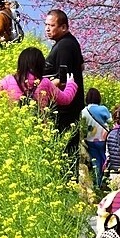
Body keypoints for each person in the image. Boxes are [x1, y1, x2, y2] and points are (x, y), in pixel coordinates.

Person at [44, 9, 85, 174]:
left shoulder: (64, 46)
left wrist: (39, 88)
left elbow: (62, 81)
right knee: (68, 147)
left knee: (65, 148)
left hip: (65, 108)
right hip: (71, 105)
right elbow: (81, 66)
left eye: (51, 25)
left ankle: (67, 179)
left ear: (63, 27)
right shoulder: (69, 42)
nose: (47, 29)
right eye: (46, 25)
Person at [0, 46, 78, 109]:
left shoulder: (9, 80)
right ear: (41, 64)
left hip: (12, 128)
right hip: (40, 129)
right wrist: (71, 83)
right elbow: (65, 99)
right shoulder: (45, 83)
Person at [80, 88, 112, 187]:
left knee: (95, 161)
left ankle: (97, 182)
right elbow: (110, 120)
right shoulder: (103, 109)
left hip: (90, 140)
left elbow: (83, 125)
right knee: (105, 158)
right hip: (103, 139)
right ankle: (106, 180)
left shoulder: (84, 111)